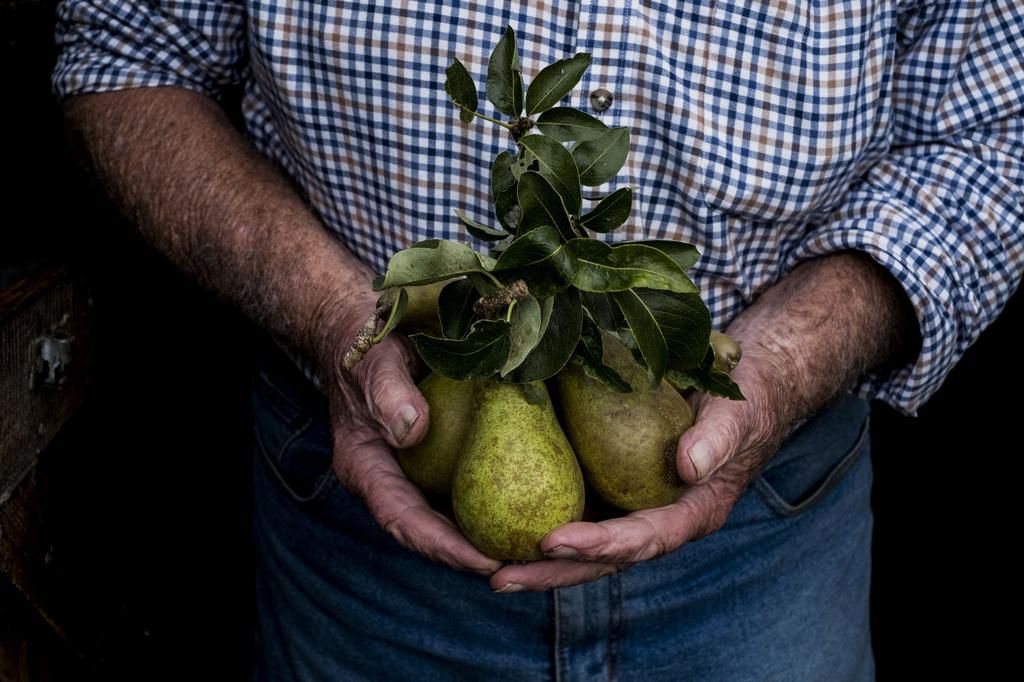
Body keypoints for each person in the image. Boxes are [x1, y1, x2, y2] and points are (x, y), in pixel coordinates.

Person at [52, 2, 1022, 680]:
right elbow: (125, 49)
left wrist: (785, 365)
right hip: (357, 525)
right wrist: (331, 320)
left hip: (764, 540)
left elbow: (991, 132)